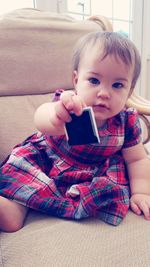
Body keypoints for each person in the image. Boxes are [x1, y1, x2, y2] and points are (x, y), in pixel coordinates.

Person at [0, 31, 150, 232]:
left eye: (117, 85)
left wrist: (141, 193)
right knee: (24, 185)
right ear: (76, 80)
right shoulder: (68, 104)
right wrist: (56, 118)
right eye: (94, 81)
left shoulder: (126, 122)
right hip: (48, 161)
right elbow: (41, 118)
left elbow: (137, 160)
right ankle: (12, 210)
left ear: (129, 91)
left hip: (92, 173)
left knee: (105, 191)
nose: (104, 93)